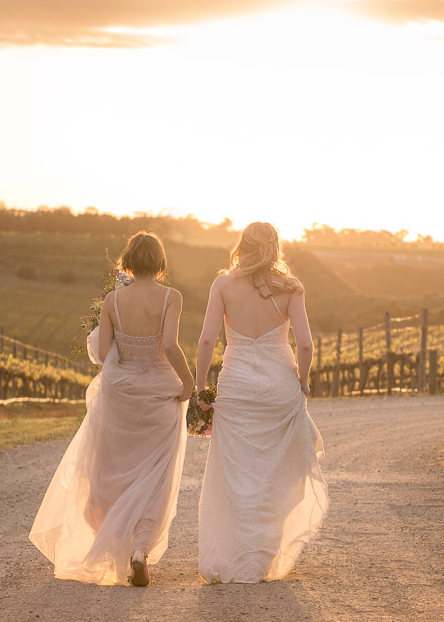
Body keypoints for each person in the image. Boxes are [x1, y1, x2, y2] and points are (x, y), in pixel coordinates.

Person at [30, 232, 194, 586]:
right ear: (160, 262)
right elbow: (169, 344)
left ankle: (119, 546)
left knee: (112, 472)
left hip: (121, 398)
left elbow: (104, 355)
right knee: (155, 479)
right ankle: (139, 549)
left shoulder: (112, 301)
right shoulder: (171, 297)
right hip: (158, 396)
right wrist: (189, 383)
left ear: (129, 262)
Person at [194, 222, 329, 583]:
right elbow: (304, 345)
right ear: (275, 246)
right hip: (278, 389)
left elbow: (207, 341)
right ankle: (263, 555)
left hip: (237, 387)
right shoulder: (291, 288)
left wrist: (200, 387)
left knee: (235, 474)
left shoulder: (222, 285)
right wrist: (302, 381)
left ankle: (235, 556)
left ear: (242, 245)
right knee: (276, 472)